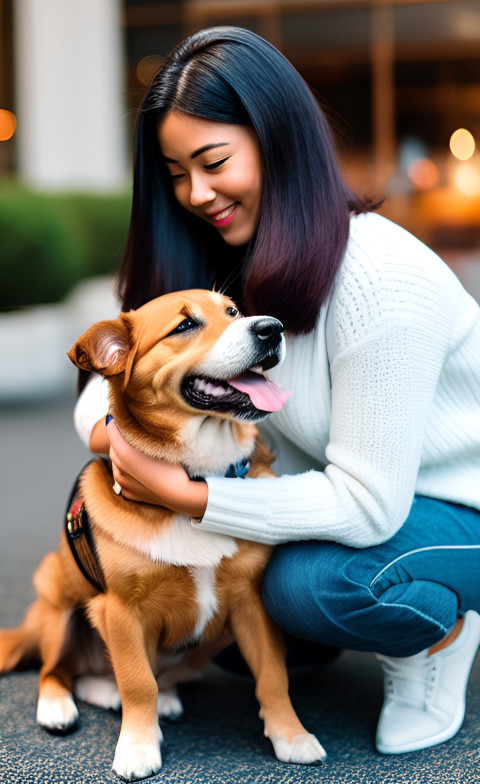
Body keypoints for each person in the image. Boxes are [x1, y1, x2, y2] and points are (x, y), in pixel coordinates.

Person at [74, 26, 480, 756]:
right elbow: (104, 387)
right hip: (343, 493)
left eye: (214, 161)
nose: (195, 194)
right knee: (229, 623)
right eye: (174, 171)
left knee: (306, 587)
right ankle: (316, 638)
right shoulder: (221, 260)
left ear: (279, 139)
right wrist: (129, 441)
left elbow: (368, 501)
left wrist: (185, 494)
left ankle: (439, 632)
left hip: (454, 502)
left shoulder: (380, 279)